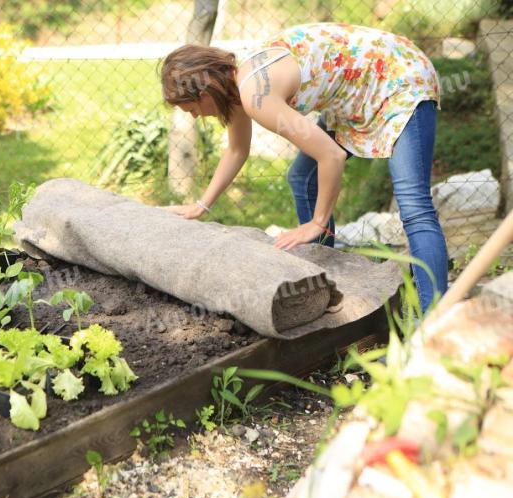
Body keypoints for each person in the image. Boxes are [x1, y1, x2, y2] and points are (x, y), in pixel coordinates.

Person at [159, 22, 448, 312]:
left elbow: (331, 157)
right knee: (303, 177)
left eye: (190, 109)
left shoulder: (255, 94)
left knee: (414, 207)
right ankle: (328, 285)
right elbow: (237, 150)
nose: (195, 117)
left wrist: (317, 222)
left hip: (398, 78)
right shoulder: (239, 86)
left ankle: (433, 320)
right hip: (359, 89)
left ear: (205, 93)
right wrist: (201, 206)